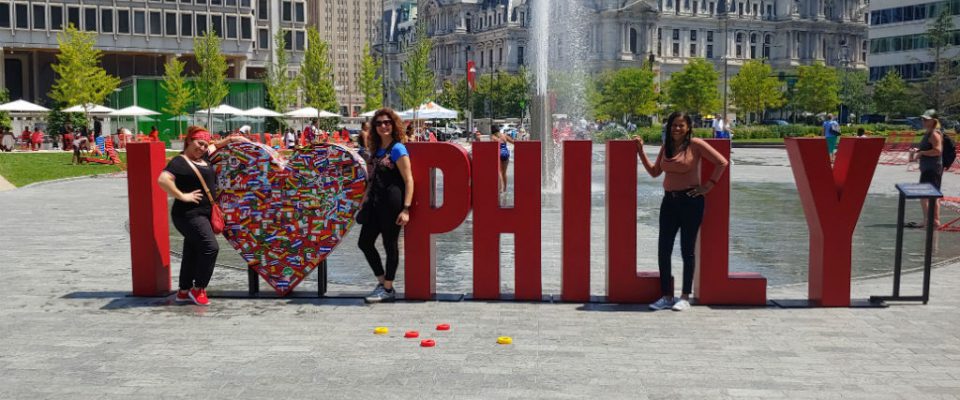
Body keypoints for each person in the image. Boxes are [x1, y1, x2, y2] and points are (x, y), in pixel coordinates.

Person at [635, 111, 729, 312]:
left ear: (688, 128)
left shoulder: (696, 145)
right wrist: (641, 152)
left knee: (687, 250)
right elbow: (654, 172)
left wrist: (709, 186)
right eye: (673, 125)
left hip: (690, 202)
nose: (677, 129)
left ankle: (685, 296)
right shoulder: (666, 147)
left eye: (681, 125)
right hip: (669, 202)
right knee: (664, 250)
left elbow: (722, 162)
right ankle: (666, 296)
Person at [157, 126, 248, 306]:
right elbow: (163, 180)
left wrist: (233, 139)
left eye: (205, 145)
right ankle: (199, 288)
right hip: (188, 214)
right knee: (210, 247)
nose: (202, 148)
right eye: (199, 143)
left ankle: (183, 291)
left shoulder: (204, 157)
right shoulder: (179, 162)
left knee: (191, 251)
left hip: (204, 213)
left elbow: (216, 145)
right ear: (189, 141)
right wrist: (182, 195)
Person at [358, 108, 414, 303]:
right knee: (364, 242)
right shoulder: (375, 150)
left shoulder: (398, 149)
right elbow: (371, 179)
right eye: (379, 123)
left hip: (392, 203)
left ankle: (388, 288)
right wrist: (364, 201)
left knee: (390, 245)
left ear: (394, 125)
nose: (383, 126)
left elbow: (408, 180)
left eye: (387, 122)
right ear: (374, 127)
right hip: (374, 202)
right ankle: (383, 283)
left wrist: (406, 208)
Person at [908, 109, 944, 229]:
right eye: (922, 119)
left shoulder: (934, 133)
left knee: (924, 195)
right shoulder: (930, 132)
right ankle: (934, 221)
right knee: (933, 195)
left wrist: (922, 153)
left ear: (933, 121)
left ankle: (928, 220)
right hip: (931, 168)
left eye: (926, 119)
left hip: (931, 169)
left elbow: (938, 151)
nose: (923, 121)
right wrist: (918, 152)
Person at [490, 127, 516, 195]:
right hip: (506, 154)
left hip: (498, 154)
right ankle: (505, 189)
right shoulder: (504, 135)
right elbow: (514, 142)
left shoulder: (493, 137)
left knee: (499, 172)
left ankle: (501, 188)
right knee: (504, 173)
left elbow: (490, 147)